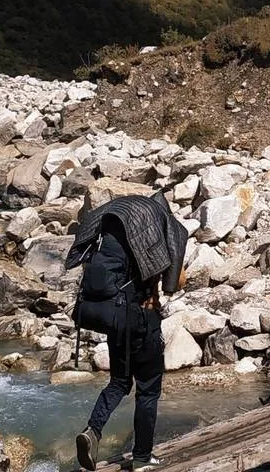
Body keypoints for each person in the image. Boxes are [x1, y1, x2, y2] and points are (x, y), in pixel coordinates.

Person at [67, 195, 187, 472]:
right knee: (148, 390)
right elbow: (177, 281)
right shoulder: (159, 233)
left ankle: (92, 430)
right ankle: (142, 457)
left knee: (119, 383)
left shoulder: (111, 233)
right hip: (142, 320)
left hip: (115, 317)